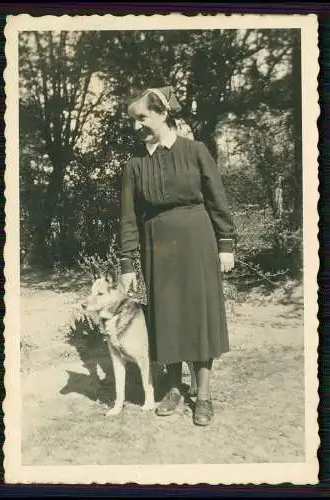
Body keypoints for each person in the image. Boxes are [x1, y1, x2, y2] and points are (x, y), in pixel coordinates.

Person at [118, 86, 235, 426]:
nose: (137, 126)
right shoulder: (134, 165)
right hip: (158, 245)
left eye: (142, 118)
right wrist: (127, 262)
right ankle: (172, 388)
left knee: (199, 316)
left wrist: (226, 243)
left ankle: (203, 395)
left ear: (162, 114)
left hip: (198, 240)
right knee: (166, 318)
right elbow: (128, 218)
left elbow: (217, 199)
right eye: (134, 120)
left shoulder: (195, 150)